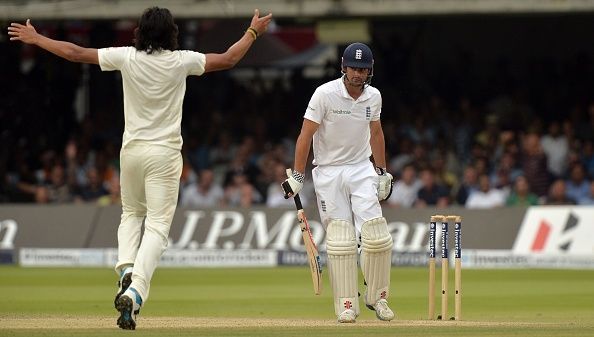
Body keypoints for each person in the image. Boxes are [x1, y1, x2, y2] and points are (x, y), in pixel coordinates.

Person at [8, 7, 272, 330]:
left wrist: (37, 39)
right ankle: (135, 290)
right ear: (171, 34)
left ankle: (125, 269)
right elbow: (229, 59)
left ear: (140, 32)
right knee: (158, 227)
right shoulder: (181, 61)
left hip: (130, 153)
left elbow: (75, 53)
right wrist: (253, 32)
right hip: (164, 154)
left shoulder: (127, 57)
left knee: (130, 214)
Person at [281, 43, 395, 323]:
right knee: (342, 240)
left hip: (361, 169)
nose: (358, 74)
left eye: (363, 69)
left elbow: (376, 133)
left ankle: (378, 298)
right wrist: (298, 175)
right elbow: (305, 136)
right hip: (329, 172)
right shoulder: (325, 94)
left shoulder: (374, 96)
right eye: (354, 68)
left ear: (370, 71)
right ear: (343, 67)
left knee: (377, 234)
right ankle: (347, 304)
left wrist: (381, 171)